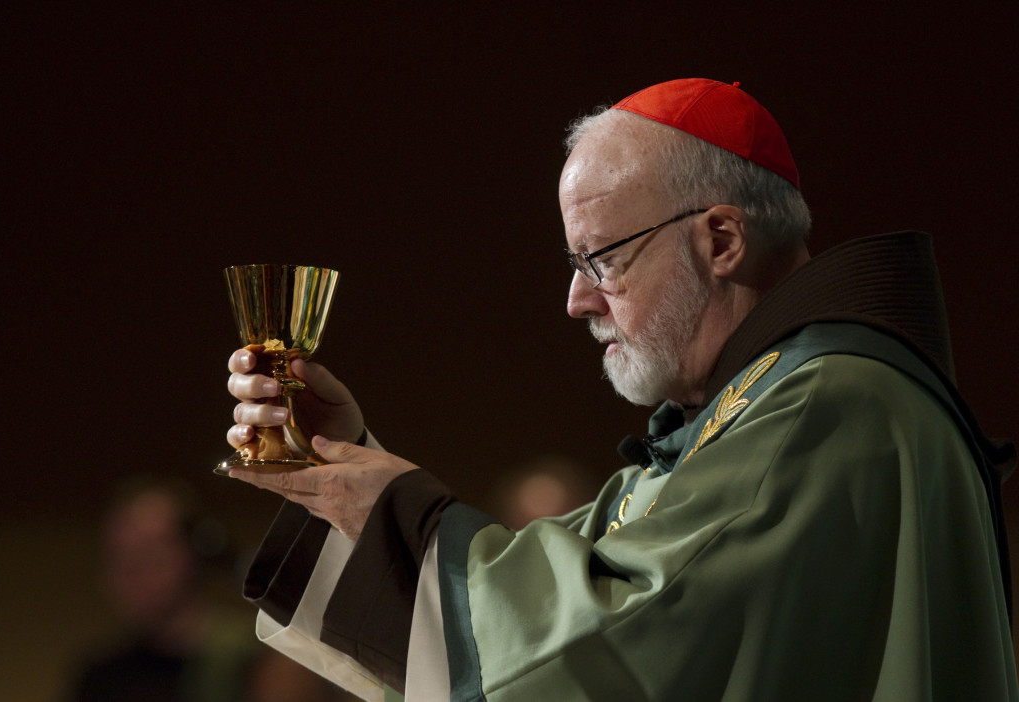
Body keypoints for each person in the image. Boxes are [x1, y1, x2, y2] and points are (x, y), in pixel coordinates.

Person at [223, 78, 1018, 701]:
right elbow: (592, 572)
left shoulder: (827, 404)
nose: (577, 301)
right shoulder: (741, 414)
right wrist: (343, 469)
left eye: (600, 258)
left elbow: (606, 644)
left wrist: (399, 516)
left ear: (722, 240)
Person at [70, 479, 258, 702]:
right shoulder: (99, 677)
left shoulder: (256, 659)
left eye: (149, 556)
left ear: (196, 555)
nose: (131, 574)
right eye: (118, 558)